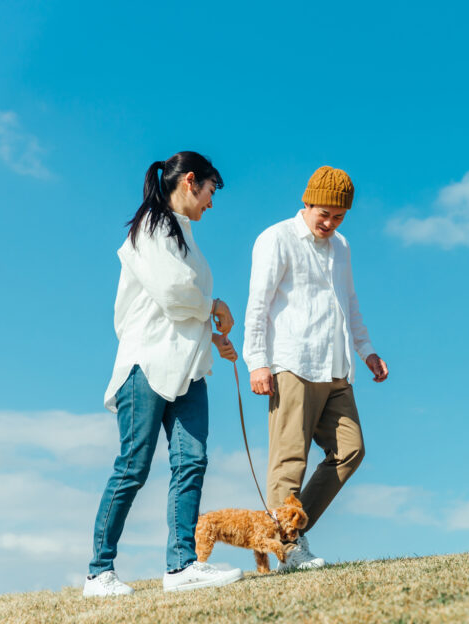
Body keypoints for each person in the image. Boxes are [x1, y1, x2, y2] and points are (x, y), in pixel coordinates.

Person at [83, 152, 244, 597]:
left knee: (192, 462)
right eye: (210, 191)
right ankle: (99, 572)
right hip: (146, 365)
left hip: (187, 368)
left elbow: (178, 308)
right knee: (133, 467)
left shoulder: (185, 235)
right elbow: (174, 294)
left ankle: (182, 565)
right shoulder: (151, 227)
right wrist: (214, 306)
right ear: (191, 181)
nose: (211, 202)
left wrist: (211, 338)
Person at [243, 165, 388, 571]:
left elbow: (349, 302)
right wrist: (258, 361)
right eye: (324, 214)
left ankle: (287, 532)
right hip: (293, 362)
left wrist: (366, 350)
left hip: (336, 365)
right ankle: (289, 549)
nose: (330, 223)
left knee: (351, 450)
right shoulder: (276, 238)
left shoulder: (342, 246)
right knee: (289, 460)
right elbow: (258, 303)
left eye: (339, 216)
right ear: (306, 203)